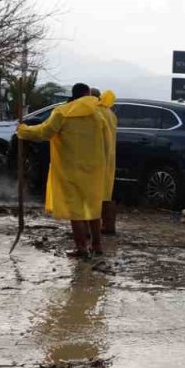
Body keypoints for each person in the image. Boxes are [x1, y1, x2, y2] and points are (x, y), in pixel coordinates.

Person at [18, 83, 111, 257]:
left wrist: (24, 131)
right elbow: (107, 141)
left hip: (70, 168)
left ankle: (81, 247)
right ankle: (97, 245)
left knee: (76, 209)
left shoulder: (63, 112)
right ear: (88, 94)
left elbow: (44, 132)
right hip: (94, 168)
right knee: (92, 207)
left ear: (73, 95)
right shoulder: (99, 114)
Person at [91, 88, 118, 236]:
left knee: (92, 192)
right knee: (106, 191)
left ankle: (90, 229)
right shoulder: (110, 113)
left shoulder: (94, 112)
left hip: (95, 156)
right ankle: (109, 225)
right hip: (110, 156)